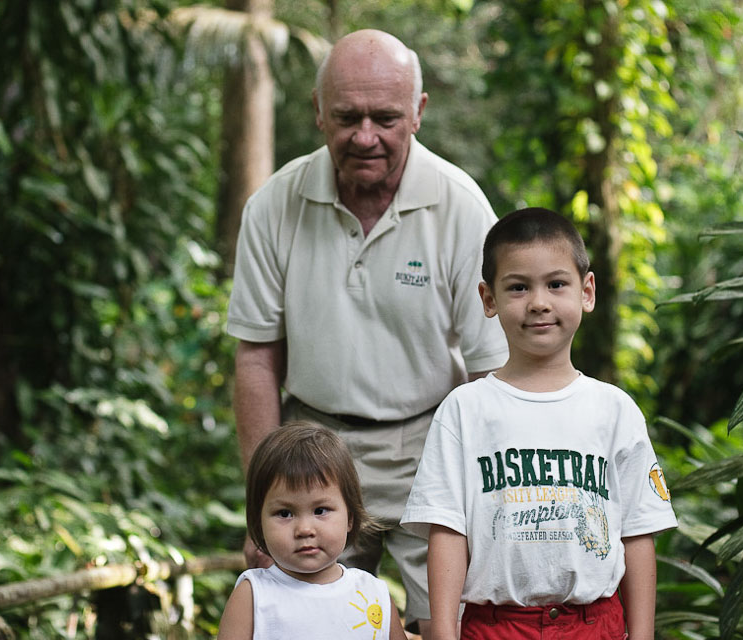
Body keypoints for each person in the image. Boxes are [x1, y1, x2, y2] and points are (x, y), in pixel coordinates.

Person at [226, 28, 508, 634]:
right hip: (312, 449)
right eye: (347, 116)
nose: (365, 136)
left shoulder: (460, 206)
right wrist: (262, 500)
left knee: (449, 621)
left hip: (431, 445)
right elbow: (255, 357)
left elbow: (492, 370)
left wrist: (489, 498)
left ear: (418, 112)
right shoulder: (275, 204)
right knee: (309, 621)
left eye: (385, 118)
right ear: (318, 111)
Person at [400, 208, 678, 640]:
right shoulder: (464, 409)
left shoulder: (615, 410)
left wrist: (642, 636)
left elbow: (637, 534)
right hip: (496, 627)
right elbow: (447, 532)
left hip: (594, 625)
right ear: (488, 299)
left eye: (556, 284)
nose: (539, 302)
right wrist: (445, 632)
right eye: (518, 287)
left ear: (587, 291)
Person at [217, 421, 409, 640]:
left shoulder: (373, 595)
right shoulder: (254, 595)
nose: (304, 529)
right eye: (285, 513)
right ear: (258, 523)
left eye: (320, 510)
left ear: (350, 517)